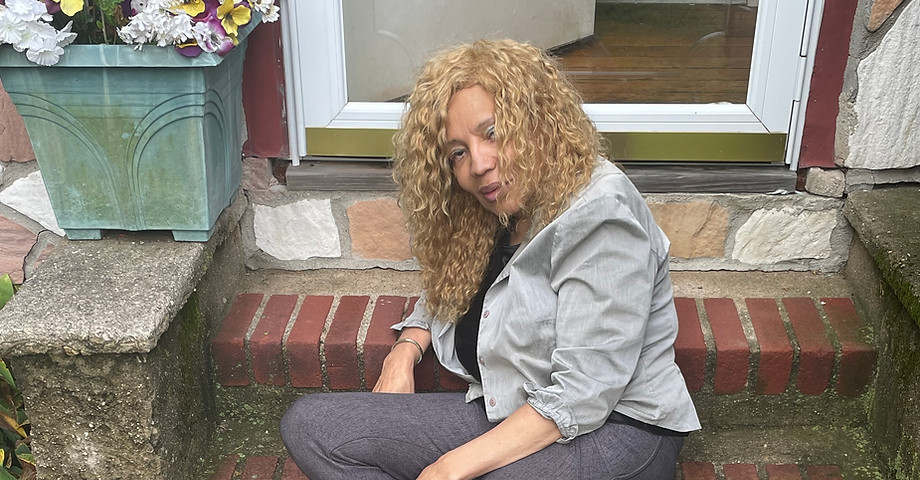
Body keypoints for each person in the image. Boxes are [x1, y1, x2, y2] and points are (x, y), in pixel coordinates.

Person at [281, 38, 700, 480]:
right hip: (513, 411)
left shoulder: (600, 213)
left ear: (536, 119)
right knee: (315, 427)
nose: (478, 164)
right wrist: (405, 350)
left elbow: (583, 391)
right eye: (457, 152)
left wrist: (446, 469)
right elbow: (453, 287)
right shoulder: (500, 207)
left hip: (616, 431)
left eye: (493, 133)